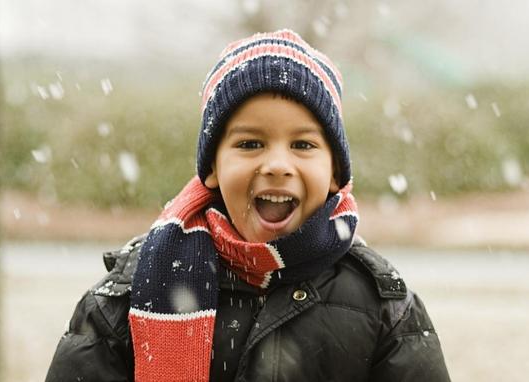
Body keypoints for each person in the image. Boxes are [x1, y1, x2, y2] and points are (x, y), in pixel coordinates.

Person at [46, 29, 450, 382]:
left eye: (303, 145)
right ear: (213, 169)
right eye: (250, 143)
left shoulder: (385, 309)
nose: (276, 164)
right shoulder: (127, 297)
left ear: (334, 173)